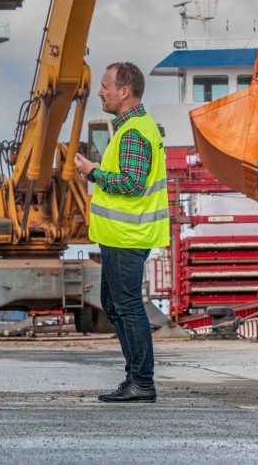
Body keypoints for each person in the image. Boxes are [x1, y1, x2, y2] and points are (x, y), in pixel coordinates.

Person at [73, 61, 169, 403]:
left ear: (124, 91)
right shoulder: (132, 128)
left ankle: (141, 381)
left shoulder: (133, 133)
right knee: (114, 307)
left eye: (105, 86)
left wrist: (93, 172)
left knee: (126, 307)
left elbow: (131, 183)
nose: (100, 92)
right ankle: (135, 378)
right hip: (121, 235)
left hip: (127, 236)